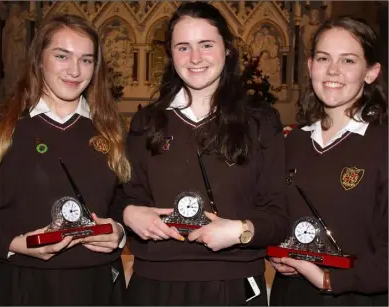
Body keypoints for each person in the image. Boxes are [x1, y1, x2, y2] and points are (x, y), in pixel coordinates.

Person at [120, 2, 288, 305]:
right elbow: (122, 196)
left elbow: (279, 214)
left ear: (227, 50)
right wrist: (129, 213)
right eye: (183, 47)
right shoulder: (146, 123)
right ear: (171, 56)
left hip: (233, 284)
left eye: (206, 45)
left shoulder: (260, 121)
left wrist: (240, 231)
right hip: (155, 284)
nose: (195, 58)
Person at [0, 13, 131, 305]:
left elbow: (123, 198)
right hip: (23, 282)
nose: (75, 70)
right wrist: (11, 242)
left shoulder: (110, 130)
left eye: (86, 59)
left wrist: (118, 230)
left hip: (98, 284)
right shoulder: (6, 127)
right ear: (39, 59)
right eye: (62, 56)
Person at [269, 17, 388, 306]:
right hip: (292, 297)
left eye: (348, 60)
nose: (333, 70)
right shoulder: (290, 143)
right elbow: (273, 215)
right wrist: (273, 253)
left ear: (371, 72)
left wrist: (329, 279)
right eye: (324, 58)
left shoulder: (382, 144)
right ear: (310, 66)